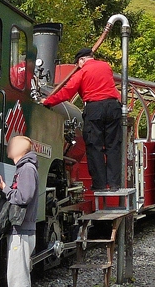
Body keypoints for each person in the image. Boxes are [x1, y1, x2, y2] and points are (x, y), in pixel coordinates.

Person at [42, 48, 123, 192]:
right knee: (113, 146)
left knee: (94, 146)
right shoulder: (106, 66)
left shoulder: (81, 72)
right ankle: (115, 184)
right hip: (113, 107)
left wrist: (47, 101)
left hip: (94, 109)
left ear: (81, 60)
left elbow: (67, 93)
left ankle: (100, 184)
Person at [0, 134, 39, 287]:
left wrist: (6, 189)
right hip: (21, 230)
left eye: (13, 144)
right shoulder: (24, 168)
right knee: (18, 275)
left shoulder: (27, 169)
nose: (9, 147)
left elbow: (24, 196)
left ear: (22, 149)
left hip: (21, 230)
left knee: (17, 276)